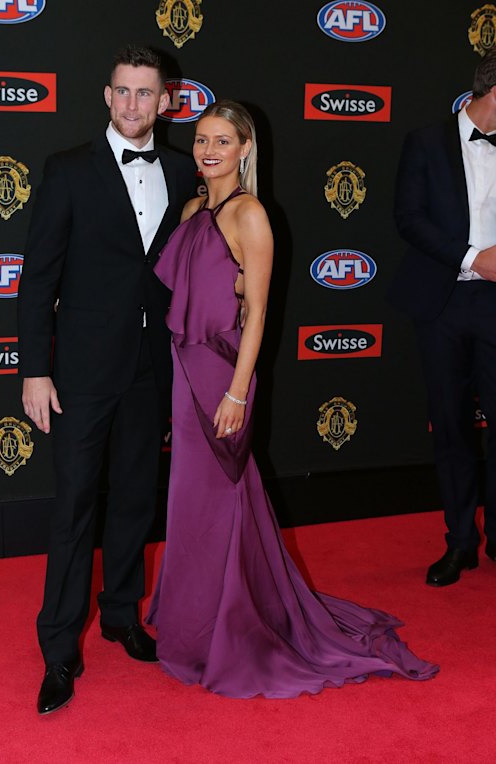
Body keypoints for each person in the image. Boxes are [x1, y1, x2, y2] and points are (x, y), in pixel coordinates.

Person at [146, 100, 438, 698]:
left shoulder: (250, 214)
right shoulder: (193, 207)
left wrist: (236, 391)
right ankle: (189, 621)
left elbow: (258, 315)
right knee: (191, 504)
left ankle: (229, 629)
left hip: (224, 373)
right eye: (201, 139)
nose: (207, 150)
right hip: (184, 366)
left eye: (222, 140)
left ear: (245, 148)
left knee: (221, 502)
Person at [18, 45, 195, 715]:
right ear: (106, 95)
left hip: (152, 371)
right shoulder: (67, 171)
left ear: (166, 100)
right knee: (73, 509)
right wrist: (35, 369)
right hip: (82, 374)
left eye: (145, 93)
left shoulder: (183, 173)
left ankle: (122, 613)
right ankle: (58, 649)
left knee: (133, 502)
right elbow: (37, 281)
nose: (132, 104)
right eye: (122, 91)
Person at [391, 52, 496, 587]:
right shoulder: (427, 141)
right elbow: (407, 218)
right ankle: (461, 542)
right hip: (443, 301)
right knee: (451, 427)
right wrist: (472, 257)